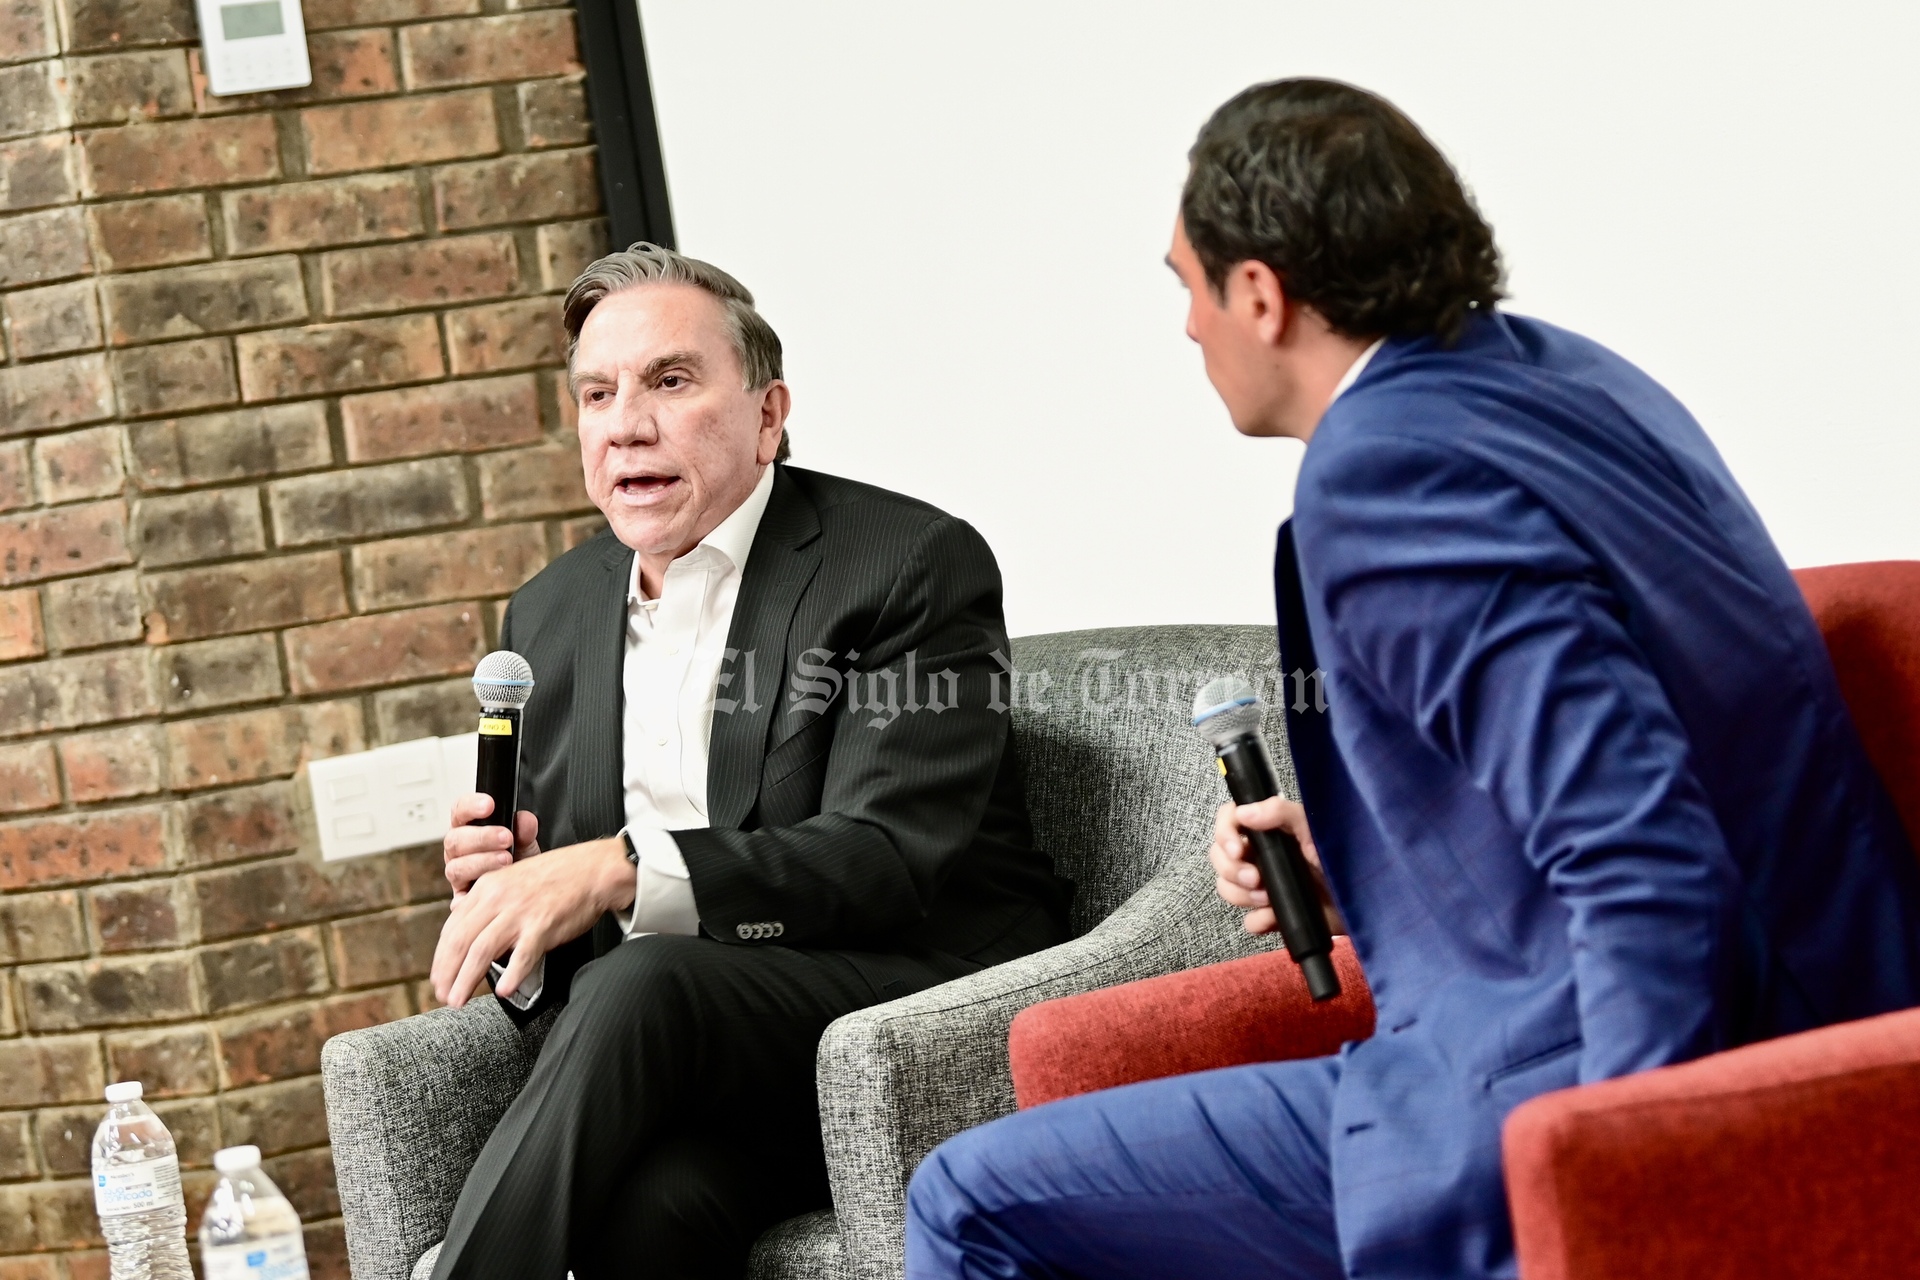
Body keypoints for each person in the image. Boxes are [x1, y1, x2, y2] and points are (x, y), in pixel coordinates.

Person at [904, 79, 1920, 1280]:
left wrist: (1617, 1175)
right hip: (1831, 1000)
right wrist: (1364, 872)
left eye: (1188, 285)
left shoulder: (1386, 474)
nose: (1186, 328)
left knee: (969, 1199)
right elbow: (1638, 743)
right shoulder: (1569, 378)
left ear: (1260, 294)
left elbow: (1644, 854)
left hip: (1580, 1081)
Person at [426, 244, 1073, 1280]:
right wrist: (526, 906)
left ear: (768, 415)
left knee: (649, 979)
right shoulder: (549, 614)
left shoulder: (903, 564)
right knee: (650, 1213)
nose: (625, 423)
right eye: (597, 394)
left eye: (669, 381)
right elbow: (575, 978)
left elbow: (886, 855)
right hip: (705, 1075)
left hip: (902, 1019)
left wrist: (619, 868)